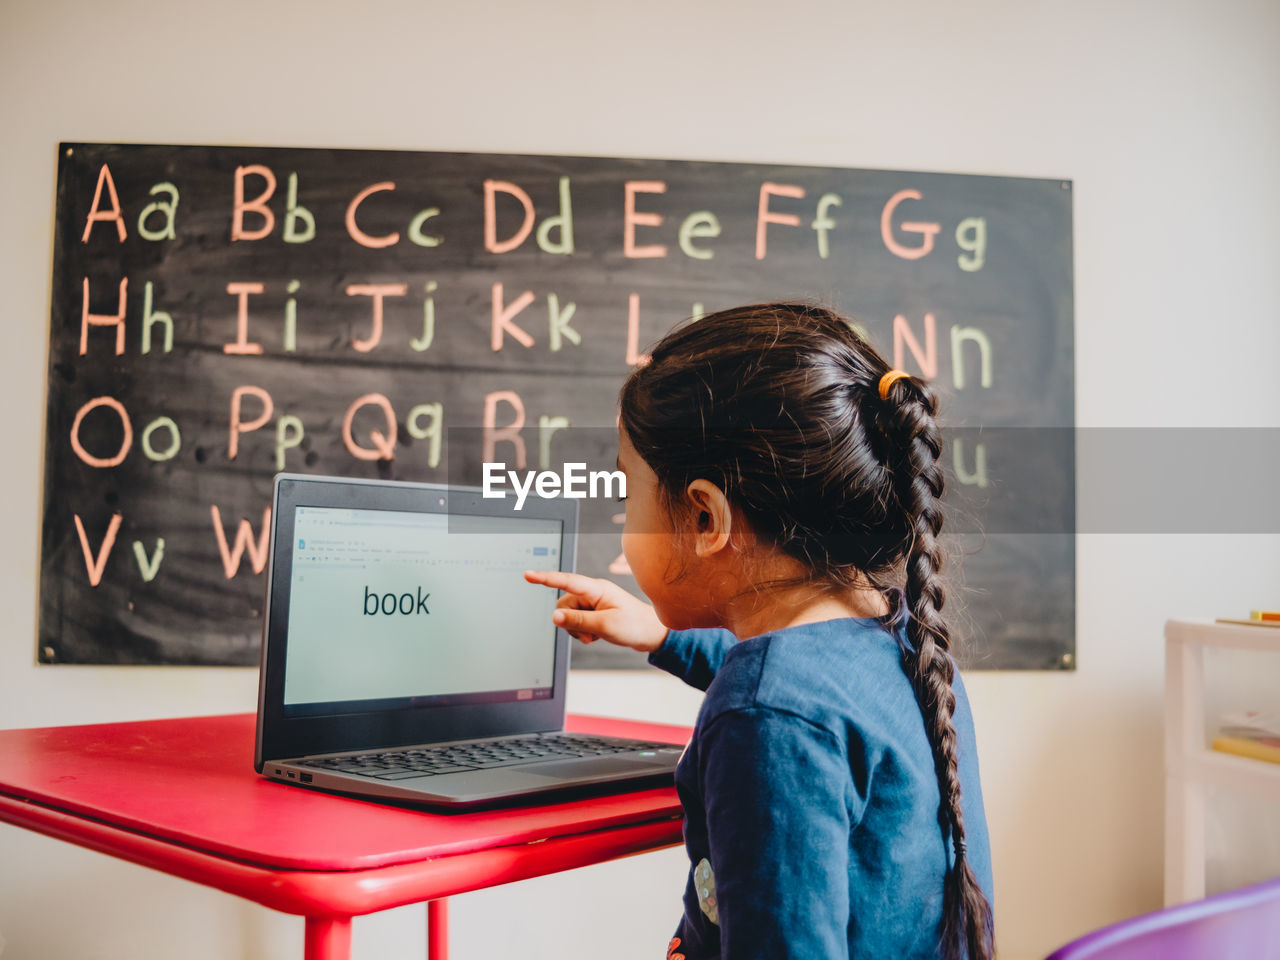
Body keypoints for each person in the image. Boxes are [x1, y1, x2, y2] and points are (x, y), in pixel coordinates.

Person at [524, 303, 994, 960]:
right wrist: (658, 636)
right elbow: (803, 686)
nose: (622, 517)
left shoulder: (762, 713)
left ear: (705, 518)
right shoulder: (899, 639)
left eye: (629, 493)